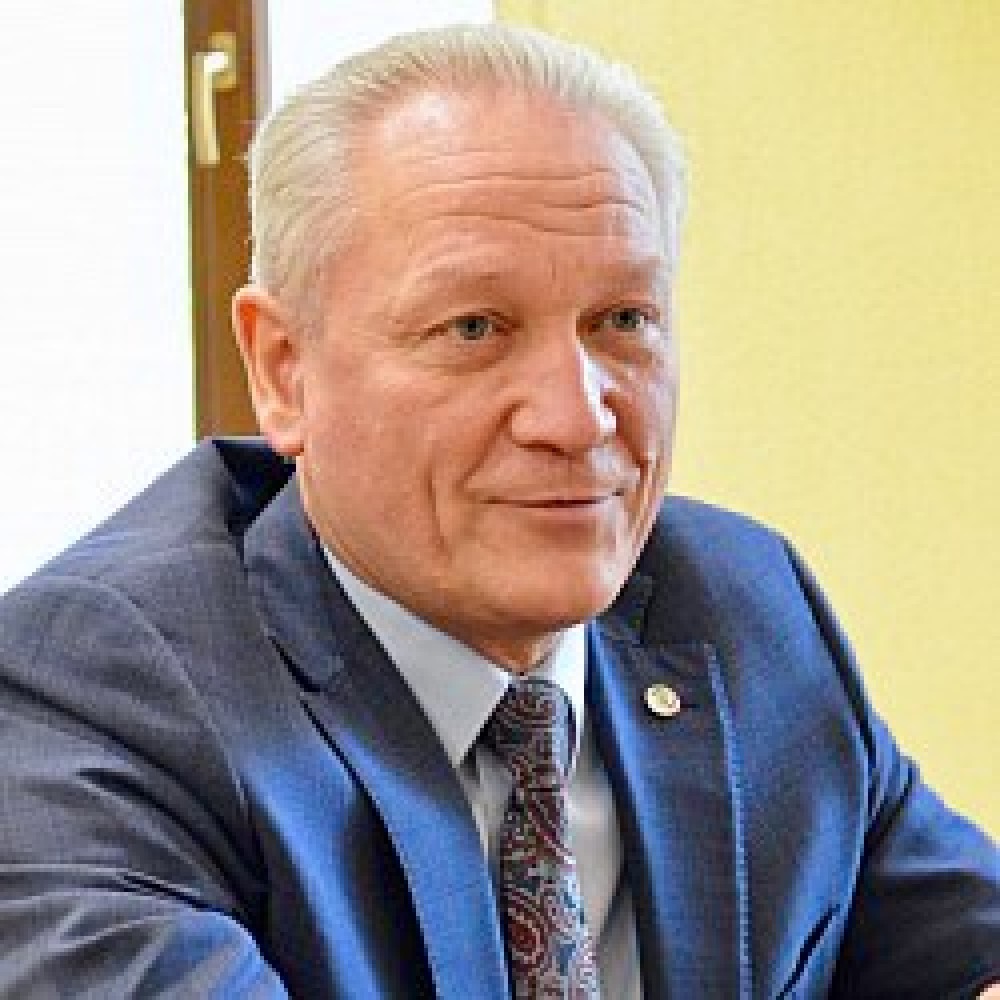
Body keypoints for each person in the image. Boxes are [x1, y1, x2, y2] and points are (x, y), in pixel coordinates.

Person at [0, 22, 997, 999]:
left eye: (623, 320)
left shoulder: (743, 608)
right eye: (474, 328)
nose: (576, 416)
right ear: (283, 368)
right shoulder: (93, 696)